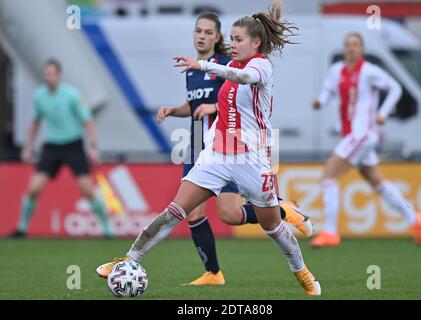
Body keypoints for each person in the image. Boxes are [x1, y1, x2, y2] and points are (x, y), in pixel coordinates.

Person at [97, 0, 321, 296]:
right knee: (175, 211)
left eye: (238, 39)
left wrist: (202, 64)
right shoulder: (229, 64)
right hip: (216, 154)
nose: (233, 44)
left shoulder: (262, 66)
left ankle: (302, 272)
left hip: (252, 159)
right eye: (231, 39)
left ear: (256, 42)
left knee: (273, 228)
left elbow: (244, 77)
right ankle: (127, 260)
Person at [156, 11, 313, 286]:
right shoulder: (193, 70)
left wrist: (214, 107)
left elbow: (237, 96)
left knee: (229, 215)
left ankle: (281, 211)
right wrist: (174, 110)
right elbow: (193, 105)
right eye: (198, 31)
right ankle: (213, 272)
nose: (201, 36)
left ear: (217, 37)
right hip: (197, 145)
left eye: (208, 32)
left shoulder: (229, 64)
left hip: (229, 147)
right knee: (193, 212)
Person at [310, 33, 421, 248]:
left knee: (328, 176)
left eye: (355, 45)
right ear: (344, 49)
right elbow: (327, 91)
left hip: (362, 134)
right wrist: (320, 102)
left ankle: (330, 232)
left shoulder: (370, 71)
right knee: (377, 182)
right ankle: (414, 217)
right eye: (348, 45)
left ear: (362, 49)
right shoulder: (337, 71)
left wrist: (383, 112)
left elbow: (395, 88)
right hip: (351, 135)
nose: (351, 49)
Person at [9, 59, 114, 238]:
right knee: (34, 188)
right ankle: (21, 229)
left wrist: (93, 147)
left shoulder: (72, 95)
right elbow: (36, 121)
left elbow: (87, 121)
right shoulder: (40, 95)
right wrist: (28, 146)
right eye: (46, 74)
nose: (47, 77)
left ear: (59, 75)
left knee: (87, 189)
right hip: (52, 146)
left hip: (73, 145)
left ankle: (107, 228)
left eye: (51, 74)